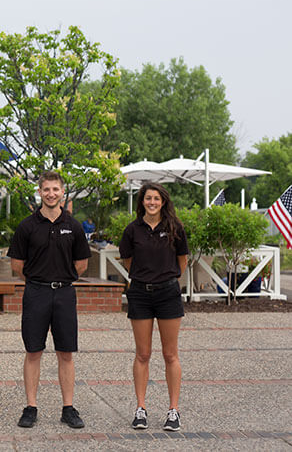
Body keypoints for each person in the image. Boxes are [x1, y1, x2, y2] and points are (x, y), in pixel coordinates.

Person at [8, 171, 91, 429]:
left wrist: (61, 279)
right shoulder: (27, 226)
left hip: (65, 294)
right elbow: (17, 265)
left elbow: (82, 264)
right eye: (46, 189)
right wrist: (39, 281)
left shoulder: (74, 226)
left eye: (56, 189)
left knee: (66, 352)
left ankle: (68, 408)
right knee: (33, 351)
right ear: (40, 191)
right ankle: (31, 407)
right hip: (36, 292)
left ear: (62, 193)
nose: (51, 194)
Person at [119, 182, 188, 431]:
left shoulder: (175, 227)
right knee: (143, 354)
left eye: (156, 199)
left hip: (168, 293)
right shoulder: (132, 230)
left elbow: (182, 261)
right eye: (148, 198)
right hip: (139, 293)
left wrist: (165, 279)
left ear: (163, 202)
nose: (152, 202)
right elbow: (128, 261)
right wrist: (146, 276)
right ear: (142, 202)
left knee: (170, 354)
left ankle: (173, 411)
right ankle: (140, 409)